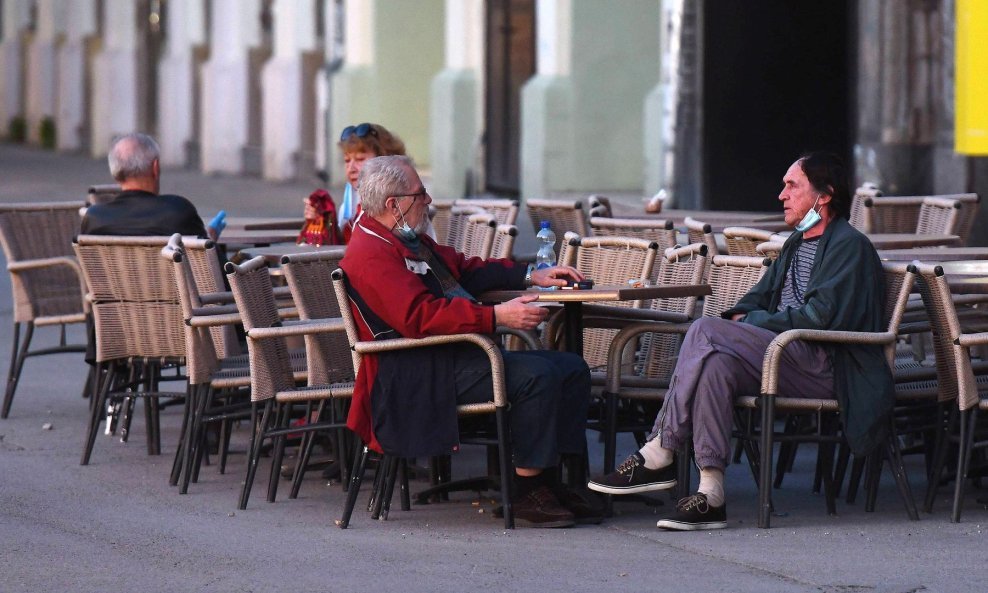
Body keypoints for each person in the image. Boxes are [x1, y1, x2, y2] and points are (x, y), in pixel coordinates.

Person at [588, 152, 892, 531]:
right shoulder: (797, 243)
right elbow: (758, 298)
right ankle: (711, 494)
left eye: (792, 185)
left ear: (824, 196)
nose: (781, 194)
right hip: (786, 357)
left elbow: (819, 318)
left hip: (829, 365)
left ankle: (660, 448)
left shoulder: (848, 245)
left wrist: (751, 321)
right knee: (717, 366)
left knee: (704, 330)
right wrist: (744, 316)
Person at [339, 155, 598, 528]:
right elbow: (419, 318)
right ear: (394, 204)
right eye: (421, 193)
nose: (429, 201)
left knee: (571, 367)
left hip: (447, 355)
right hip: (415, 371)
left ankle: (555, 479)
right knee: (536, 374)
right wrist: (496, 316)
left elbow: (464, 268)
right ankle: (527, 490)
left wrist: (532, 275)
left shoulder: (403, 236)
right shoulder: (372, 253)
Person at [81, 132, 223, 239]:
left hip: (111, 280)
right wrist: (210, 240)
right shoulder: (178, 211)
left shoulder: (95, 218)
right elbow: (209, 269)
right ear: (155, 167)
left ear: (115, 172)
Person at [305, 122, 410, 242]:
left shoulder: (399, 204)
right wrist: (322, 222)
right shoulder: (349, 204)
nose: (351, 168)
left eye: (360, 159)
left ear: (385, 161)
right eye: (347, 160)